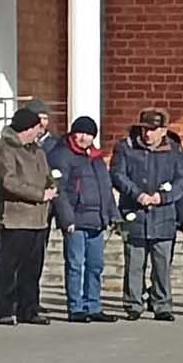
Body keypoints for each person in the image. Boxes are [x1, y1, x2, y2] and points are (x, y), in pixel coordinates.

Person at [114, 112, 183, 321]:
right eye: (145, 129)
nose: (148, 134)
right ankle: (133, 304)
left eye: (153, 130)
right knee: (134, 263)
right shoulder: (126, 147)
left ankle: (162, 304)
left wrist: (162, 197)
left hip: (163, 216)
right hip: (133, 214)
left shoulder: (173, 150)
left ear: (163, 130)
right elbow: (118, 175)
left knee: (162, 263)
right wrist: (137, 194)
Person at [0, 107, 56, 324]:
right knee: (9, 267)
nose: (40, 132)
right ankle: (3, 310)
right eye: (38, 127)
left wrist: (52, 186)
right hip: (15, 218)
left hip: (38, 219)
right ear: (27, 128)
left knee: (32, 269)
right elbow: (8, 181)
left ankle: (29, 309)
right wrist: (39, 194)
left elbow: (47, 175)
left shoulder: (38, 151)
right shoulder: (3, 149)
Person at [52, 114, 119, 322]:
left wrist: (112, 215)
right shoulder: (62, 155)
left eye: (89, 135)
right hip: (76, 220)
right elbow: (59, 190)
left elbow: (105, 188)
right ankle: (76, 307)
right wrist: (66, 218)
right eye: (80, 133)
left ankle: (93, 305)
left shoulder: (97, 158)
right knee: (75, 264)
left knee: (95, 265)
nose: (84, 138)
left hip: (96, 220)